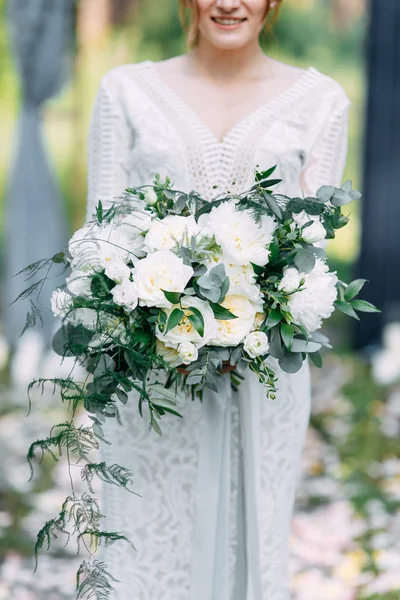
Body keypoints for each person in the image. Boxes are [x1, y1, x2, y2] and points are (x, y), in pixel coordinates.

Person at [85, 1, 350, 598]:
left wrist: (259, 314)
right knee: (146, 545)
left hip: (263, 371)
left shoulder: (322, 102)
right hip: (149, 372)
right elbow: (98, 242)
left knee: (254, 542)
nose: (229, 3)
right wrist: (151, 312)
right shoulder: (124, 91)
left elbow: (311, 252)